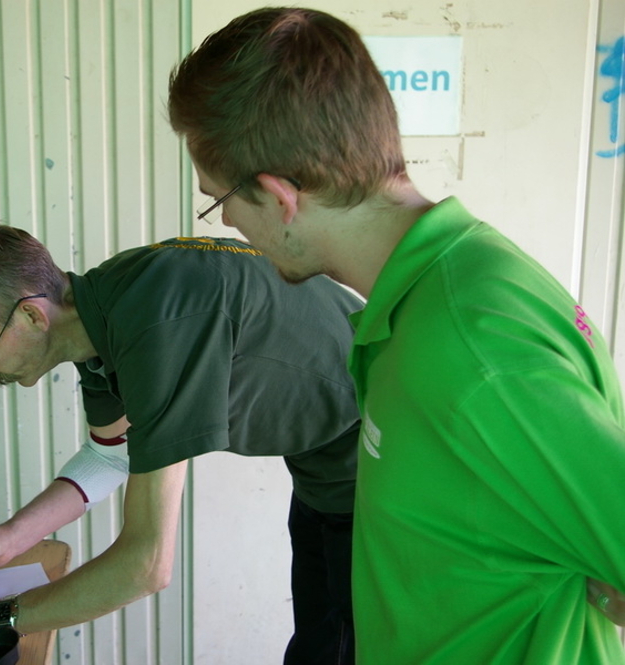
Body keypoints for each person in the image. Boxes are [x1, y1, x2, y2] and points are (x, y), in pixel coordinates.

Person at [167, 6, 625, 664]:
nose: (229, 223)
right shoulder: (428, 296)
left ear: (280, 196)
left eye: (220, 200)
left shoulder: (471, 348)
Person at [0, 224, 363, 662]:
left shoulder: (159, 327)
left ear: (31, 315)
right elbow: (109, 455)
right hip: (324, 473)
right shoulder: (100, 316)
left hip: (379, 472)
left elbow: (146, 565)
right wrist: (10, 537)